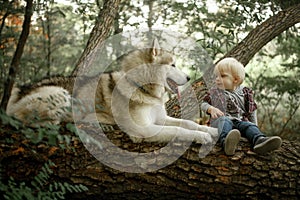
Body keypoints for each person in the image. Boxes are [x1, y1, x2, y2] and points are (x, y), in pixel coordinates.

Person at [201, 57, 282, 155]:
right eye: (216, 76)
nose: (217, 79)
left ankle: (259, 140)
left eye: (222, 76)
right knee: (224, 120)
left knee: (249, 126)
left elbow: (252, 111)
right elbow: (203, 104)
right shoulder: (215, 92)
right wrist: (210, 109)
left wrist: (254, 126)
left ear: (235, 79)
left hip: (239, 122)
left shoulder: (245, 92)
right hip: (220, 122)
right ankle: (226, 142)